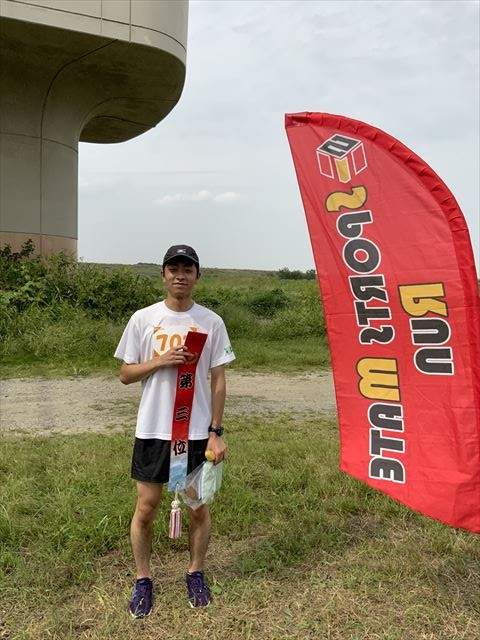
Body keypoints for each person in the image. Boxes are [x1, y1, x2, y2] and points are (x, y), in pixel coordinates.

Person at [114, 245, 235, 616]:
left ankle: (195, 573)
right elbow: (125, 374)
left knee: (198, 508)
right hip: (153, 430)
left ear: (197, 276)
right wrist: (160, 361)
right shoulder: (143, 319)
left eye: (187, 269)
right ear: (163, 274)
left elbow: (218, 380)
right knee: (146, 507)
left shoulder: (211, 322)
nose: (180, 275)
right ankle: (143, 580)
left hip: (195, 432)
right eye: (173, 268)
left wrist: (216, 430)